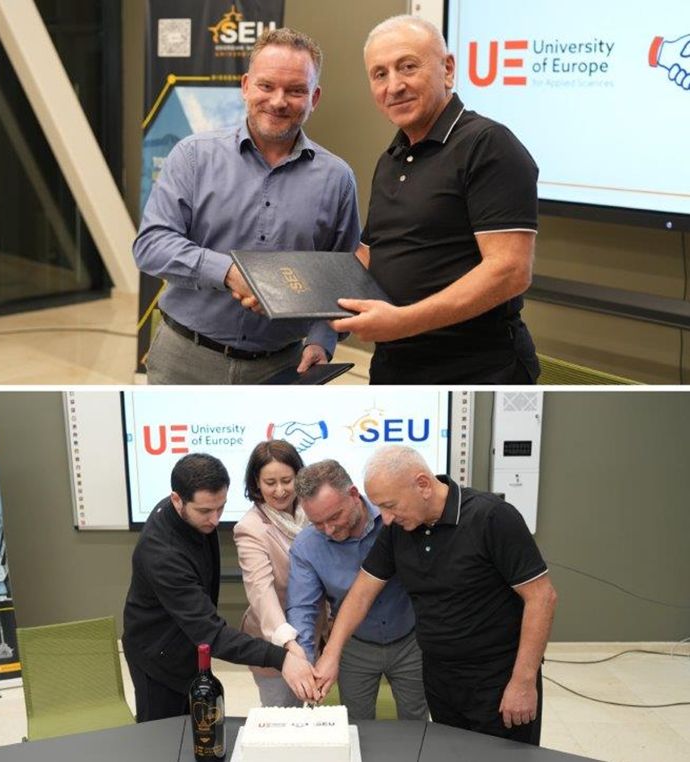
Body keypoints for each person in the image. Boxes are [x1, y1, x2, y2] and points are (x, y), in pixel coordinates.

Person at [134, 27, 360, 384]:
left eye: (296, 90)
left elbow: (340, 278)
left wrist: (322, 339)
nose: (278, 101)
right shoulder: (193, 156)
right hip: (184, 359)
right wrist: (228, 273)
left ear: (314, 97)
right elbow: (151, 246)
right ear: (245, 86)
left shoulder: (337, 179)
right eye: (266, 86)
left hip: (280, 367)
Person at [330, 16, 540, 384]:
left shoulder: (487, 144)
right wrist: (288, 293)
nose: (394, 85)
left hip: (475, 371)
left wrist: (404, 322)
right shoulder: (391, 157)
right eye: (379, 74)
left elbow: (510, 271)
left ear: (448, 69)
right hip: (395, 364)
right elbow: (370, 253)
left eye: (407, 66)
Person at [314, 446, 557, 745]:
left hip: (497, 678)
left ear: (423, 485)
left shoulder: (491, 517)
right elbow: (362, 593)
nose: (386, 519)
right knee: (453, 753)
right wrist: (332, 653)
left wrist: (523, 681)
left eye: (390, 505)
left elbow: (542, 597)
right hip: (440, 678)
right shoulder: (398, 530)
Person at [122, 453, 318, 722]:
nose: (215, 520)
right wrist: (281, 658)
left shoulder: (194, 515)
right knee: (163, 736)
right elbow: (210, 633)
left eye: (221, 507)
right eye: (205, 511)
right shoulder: (162, 554)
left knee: (198, 726)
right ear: (176, 500)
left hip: (188, 645)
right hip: (158, 656)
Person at [286, 459, 427, 721]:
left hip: (410, 639)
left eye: (334, 517)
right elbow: (302, 608)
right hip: (353, 645)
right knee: (356, 723)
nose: (329, 529)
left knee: (416, 720)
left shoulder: (395, 520)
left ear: (353, 495)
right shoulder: (307, 546)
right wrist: (303, 660)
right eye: (318, 523)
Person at [233, 440, 326, 707]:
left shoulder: (316, 513)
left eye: (287, 480)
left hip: (318, 633)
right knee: (282, 716)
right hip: (276, 641)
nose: (280, 490)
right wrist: (287, 643)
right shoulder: (250, 528)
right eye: (270, 482)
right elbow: (261, 591)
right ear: (256, 483)